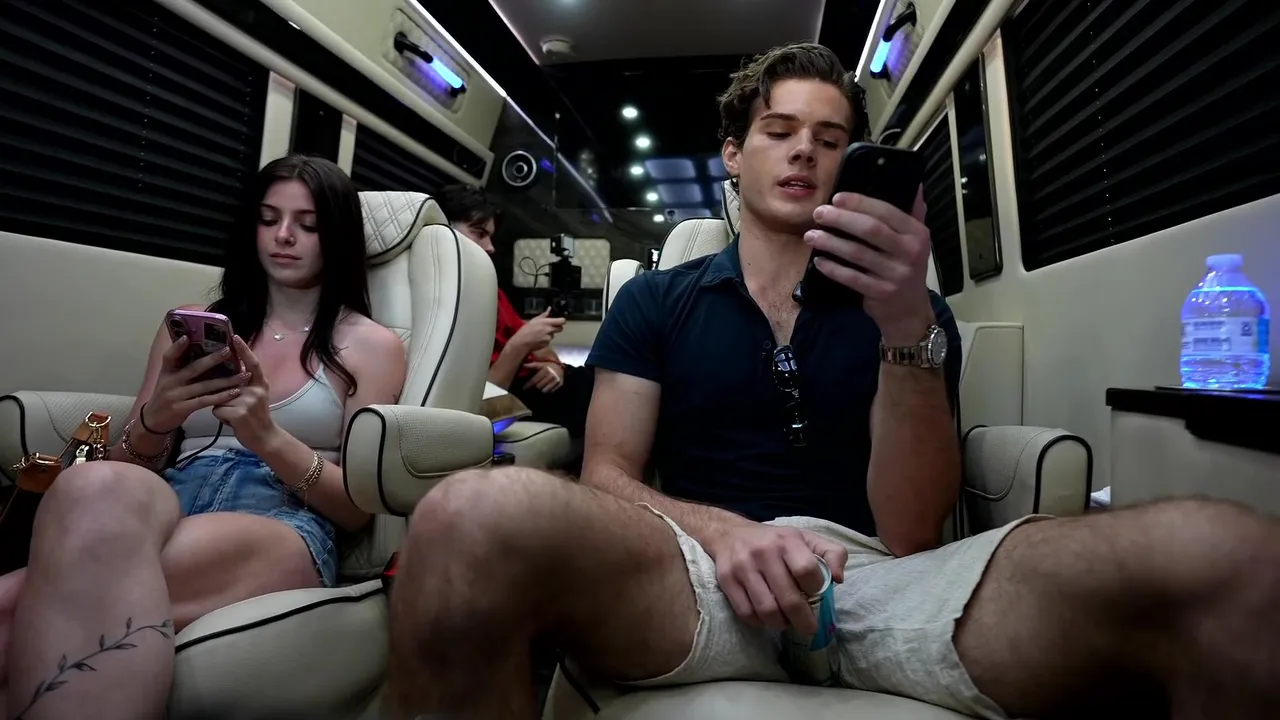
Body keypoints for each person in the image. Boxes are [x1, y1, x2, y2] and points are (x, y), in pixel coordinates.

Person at [384, 43, 1280, 720]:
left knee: (1227, 556)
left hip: (880, 579)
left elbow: (911, 527)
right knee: (467, 513)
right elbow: (608, 474)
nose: (803, 153)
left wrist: (904, 327)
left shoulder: (911, 311)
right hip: (694, 571)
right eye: (778, 132)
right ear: (733, 154)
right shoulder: (655, 302)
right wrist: (727, 533)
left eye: (830, 139)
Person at [0, 155, 407, 719]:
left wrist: (267, 437)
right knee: (90, 484)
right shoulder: (192, 325)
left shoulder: (372, 345)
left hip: (281, 515)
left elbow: (358, 509)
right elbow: (130, 467)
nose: (283, 236)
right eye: (269, 219)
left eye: (307, 224)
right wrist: (156, 420)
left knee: (13, 611)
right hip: (171, 494)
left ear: (335, 236)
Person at [434, 183, 594, 438]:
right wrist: (519, 345)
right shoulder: (439, 303)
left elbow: (540, 349)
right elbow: (482, 404)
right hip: (514, 393)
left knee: (610, 377)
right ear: (441, 231)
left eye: (491, 236)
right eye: (479, 232)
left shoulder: (488, 289)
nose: (490, 247)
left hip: (540, 382)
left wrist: (555, 367)